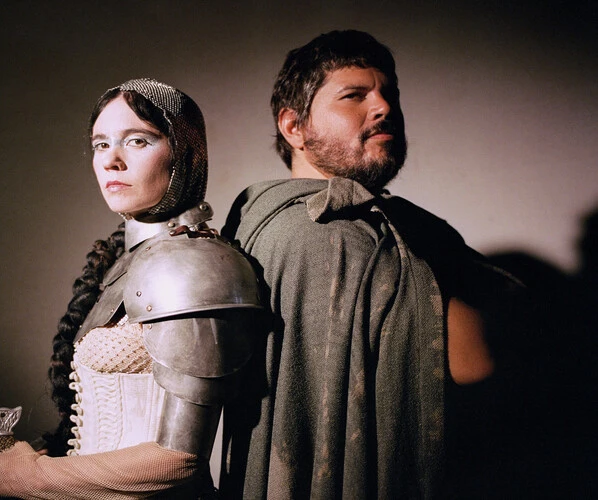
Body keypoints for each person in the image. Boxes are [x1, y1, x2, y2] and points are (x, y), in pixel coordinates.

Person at [220, 30, 524, 498]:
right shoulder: (327, 235)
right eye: (354, 95)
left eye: (389, 93)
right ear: (293, 126)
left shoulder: (394, 227)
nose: (383, 107)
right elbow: (482, 361)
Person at [0, 78, 261, 498]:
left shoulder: (194, 265)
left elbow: (178, 459)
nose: (111, 160)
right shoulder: (126, 262)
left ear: (184, 153)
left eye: (137, 141)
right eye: (100, 144)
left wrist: (33, 476)